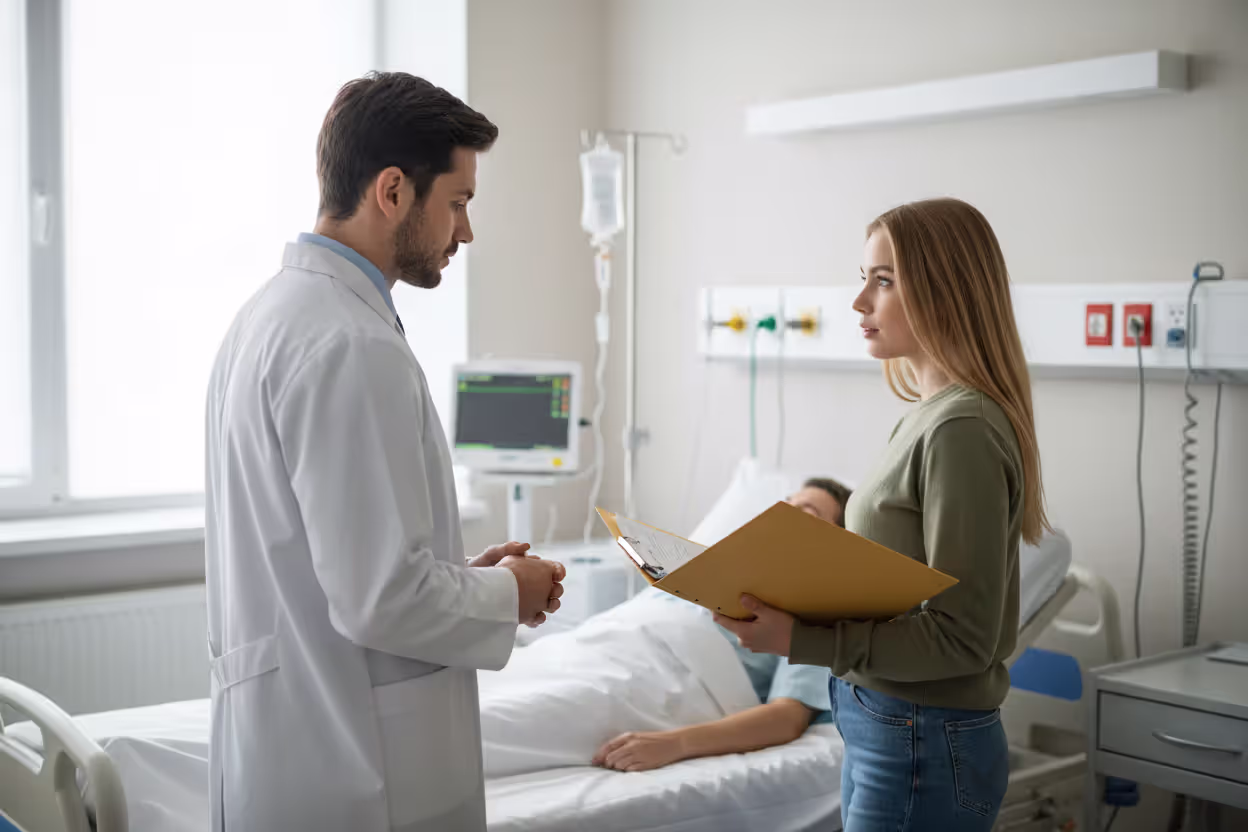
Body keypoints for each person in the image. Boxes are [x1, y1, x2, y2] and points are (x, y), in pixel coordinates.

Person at [204, 72, 565, 832]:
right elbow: (379, 599)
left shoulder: (269, 317)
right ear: (393, 191)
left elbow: (332, 561)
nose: (466, 232)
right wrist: (513, 594)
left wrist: (463, 579)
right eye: (459, 202)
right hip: (353, 773)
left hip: (293, 743)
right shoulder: (347, 344)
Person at [715, 198, 1049, 831]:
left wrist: (800, 639)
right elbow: (900, 591)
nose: (859, 301)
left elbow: (962, 637)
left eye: (884, 280)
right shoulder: (928, 418)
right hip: (888, 722)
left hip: (920, 737)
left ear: (946, 290)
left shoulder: (962, 429)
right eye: (864, 277)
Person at [593, 476, 853, 772]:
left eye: (805, 512)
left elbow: (787, 717)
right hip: (608, 640)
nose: (784, 513)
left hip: (663, 678)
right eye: (786, 503)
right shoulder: (715, 569)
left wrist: (676, 744)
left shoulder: (818, 608)